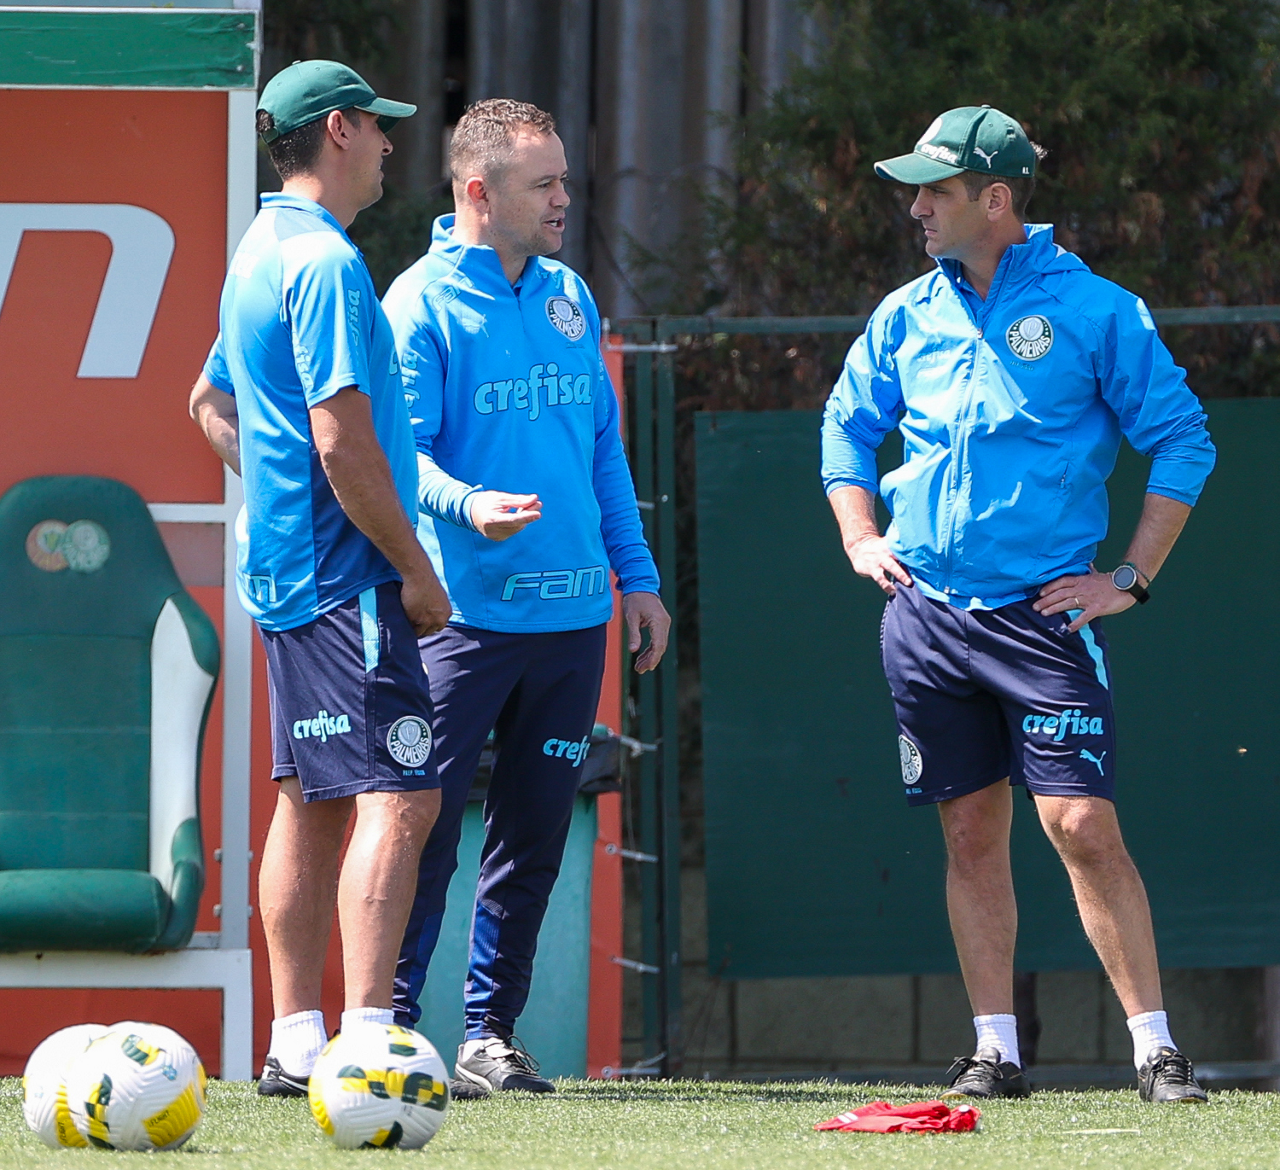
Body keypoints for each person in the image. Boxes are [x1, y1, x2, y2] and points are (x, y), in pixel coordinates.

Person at [821, 106, 1216, 1103]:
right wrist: (860, 537)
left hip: (1042, 620)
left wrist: (1128, 578)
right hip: (924, 617)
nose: (916, 208)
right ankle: (993, 1050)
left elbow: (1183, 439)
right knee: (968, 835)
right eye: (915, 191)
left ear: (995, 199)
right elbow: (845, 426)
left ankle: (1155, 1051)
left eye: (937, 191)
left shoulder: (1096, 311)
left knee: (1080, 825)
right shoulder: (904, 313)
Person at [380, 98, 670, 1096]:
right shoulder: (417, 304)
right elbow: (400, 459)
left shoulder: (568, 296)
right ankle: (387, 1030)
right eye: (543, 183)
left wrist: (637, 578)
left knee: (533, 836)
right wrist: (467, 505)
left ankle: (486, 1036)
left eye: (563, 180)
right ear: (478, 191)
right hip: (460, 623)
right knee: (418, 827)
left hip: (573, 621)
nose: (563, 199)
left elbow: (602, 451)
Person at [189, 60, 452, 1097]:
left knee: (310, 801)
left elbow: (207, 405)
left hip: (292, 573)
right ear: (339, 131)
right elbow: (343, 443)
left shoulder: (259, 250)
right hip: (348, 578)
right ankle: (369, 1041)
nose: (389, 143)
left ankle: (296, 1044)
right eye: (378, 126)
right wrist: (415, 569)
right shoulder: (327, 262)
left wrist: (280, 489)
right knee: (404, 793)